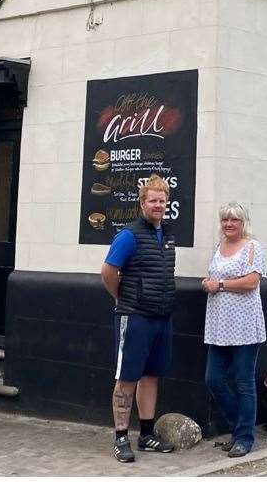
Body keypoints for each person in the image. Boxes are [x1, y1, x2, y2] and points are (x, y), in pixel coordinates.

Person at [100, 174, 177, 463]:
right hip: (135, 317)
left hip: (161, 316)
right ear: (142, 203)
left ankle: (146, 435)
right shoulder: (128, 235)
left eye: (162, 200)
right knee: (127, 378)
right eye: (153, 200)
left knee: (150, 375)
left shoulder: (168, 235)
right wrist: (122, 298)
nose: (158, 205)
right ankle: (121, 438)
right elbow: (108, 272)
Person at [201, 201, 267, 458]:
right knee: (213, 379)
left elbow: (251, 282)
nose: (229, 224)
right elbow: (215, 278)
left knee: (243, 383)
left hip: (245, 327)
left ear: (243, 223)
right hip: (219, 327)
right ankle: (237, 427)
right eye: (225, 220)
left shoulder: (253, 247)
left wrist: (219, 285)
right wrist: (208, 282)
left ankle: (244, 438)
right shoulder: (219, 247)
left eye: (234, 220)